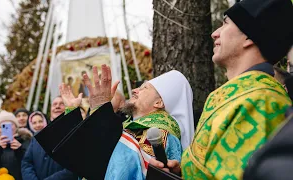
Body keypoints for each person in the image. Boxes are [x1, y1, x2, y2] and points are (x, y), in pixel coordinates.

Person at [149, 0, 293, 179]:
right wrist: (183, 171)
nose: (214, 34)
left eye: (225, 23)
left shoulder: (262, 101)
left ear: (248, 37)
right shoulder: (241, 93)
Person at [37, 64, 194, 179]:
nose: (134, 90)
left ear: (159, 103)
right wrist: (72, 112)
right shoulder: (133, 127)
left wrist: (100, 113)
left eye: (145, 88)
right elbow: (82, 159)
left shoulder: (159, 133)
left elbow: (118, 169)